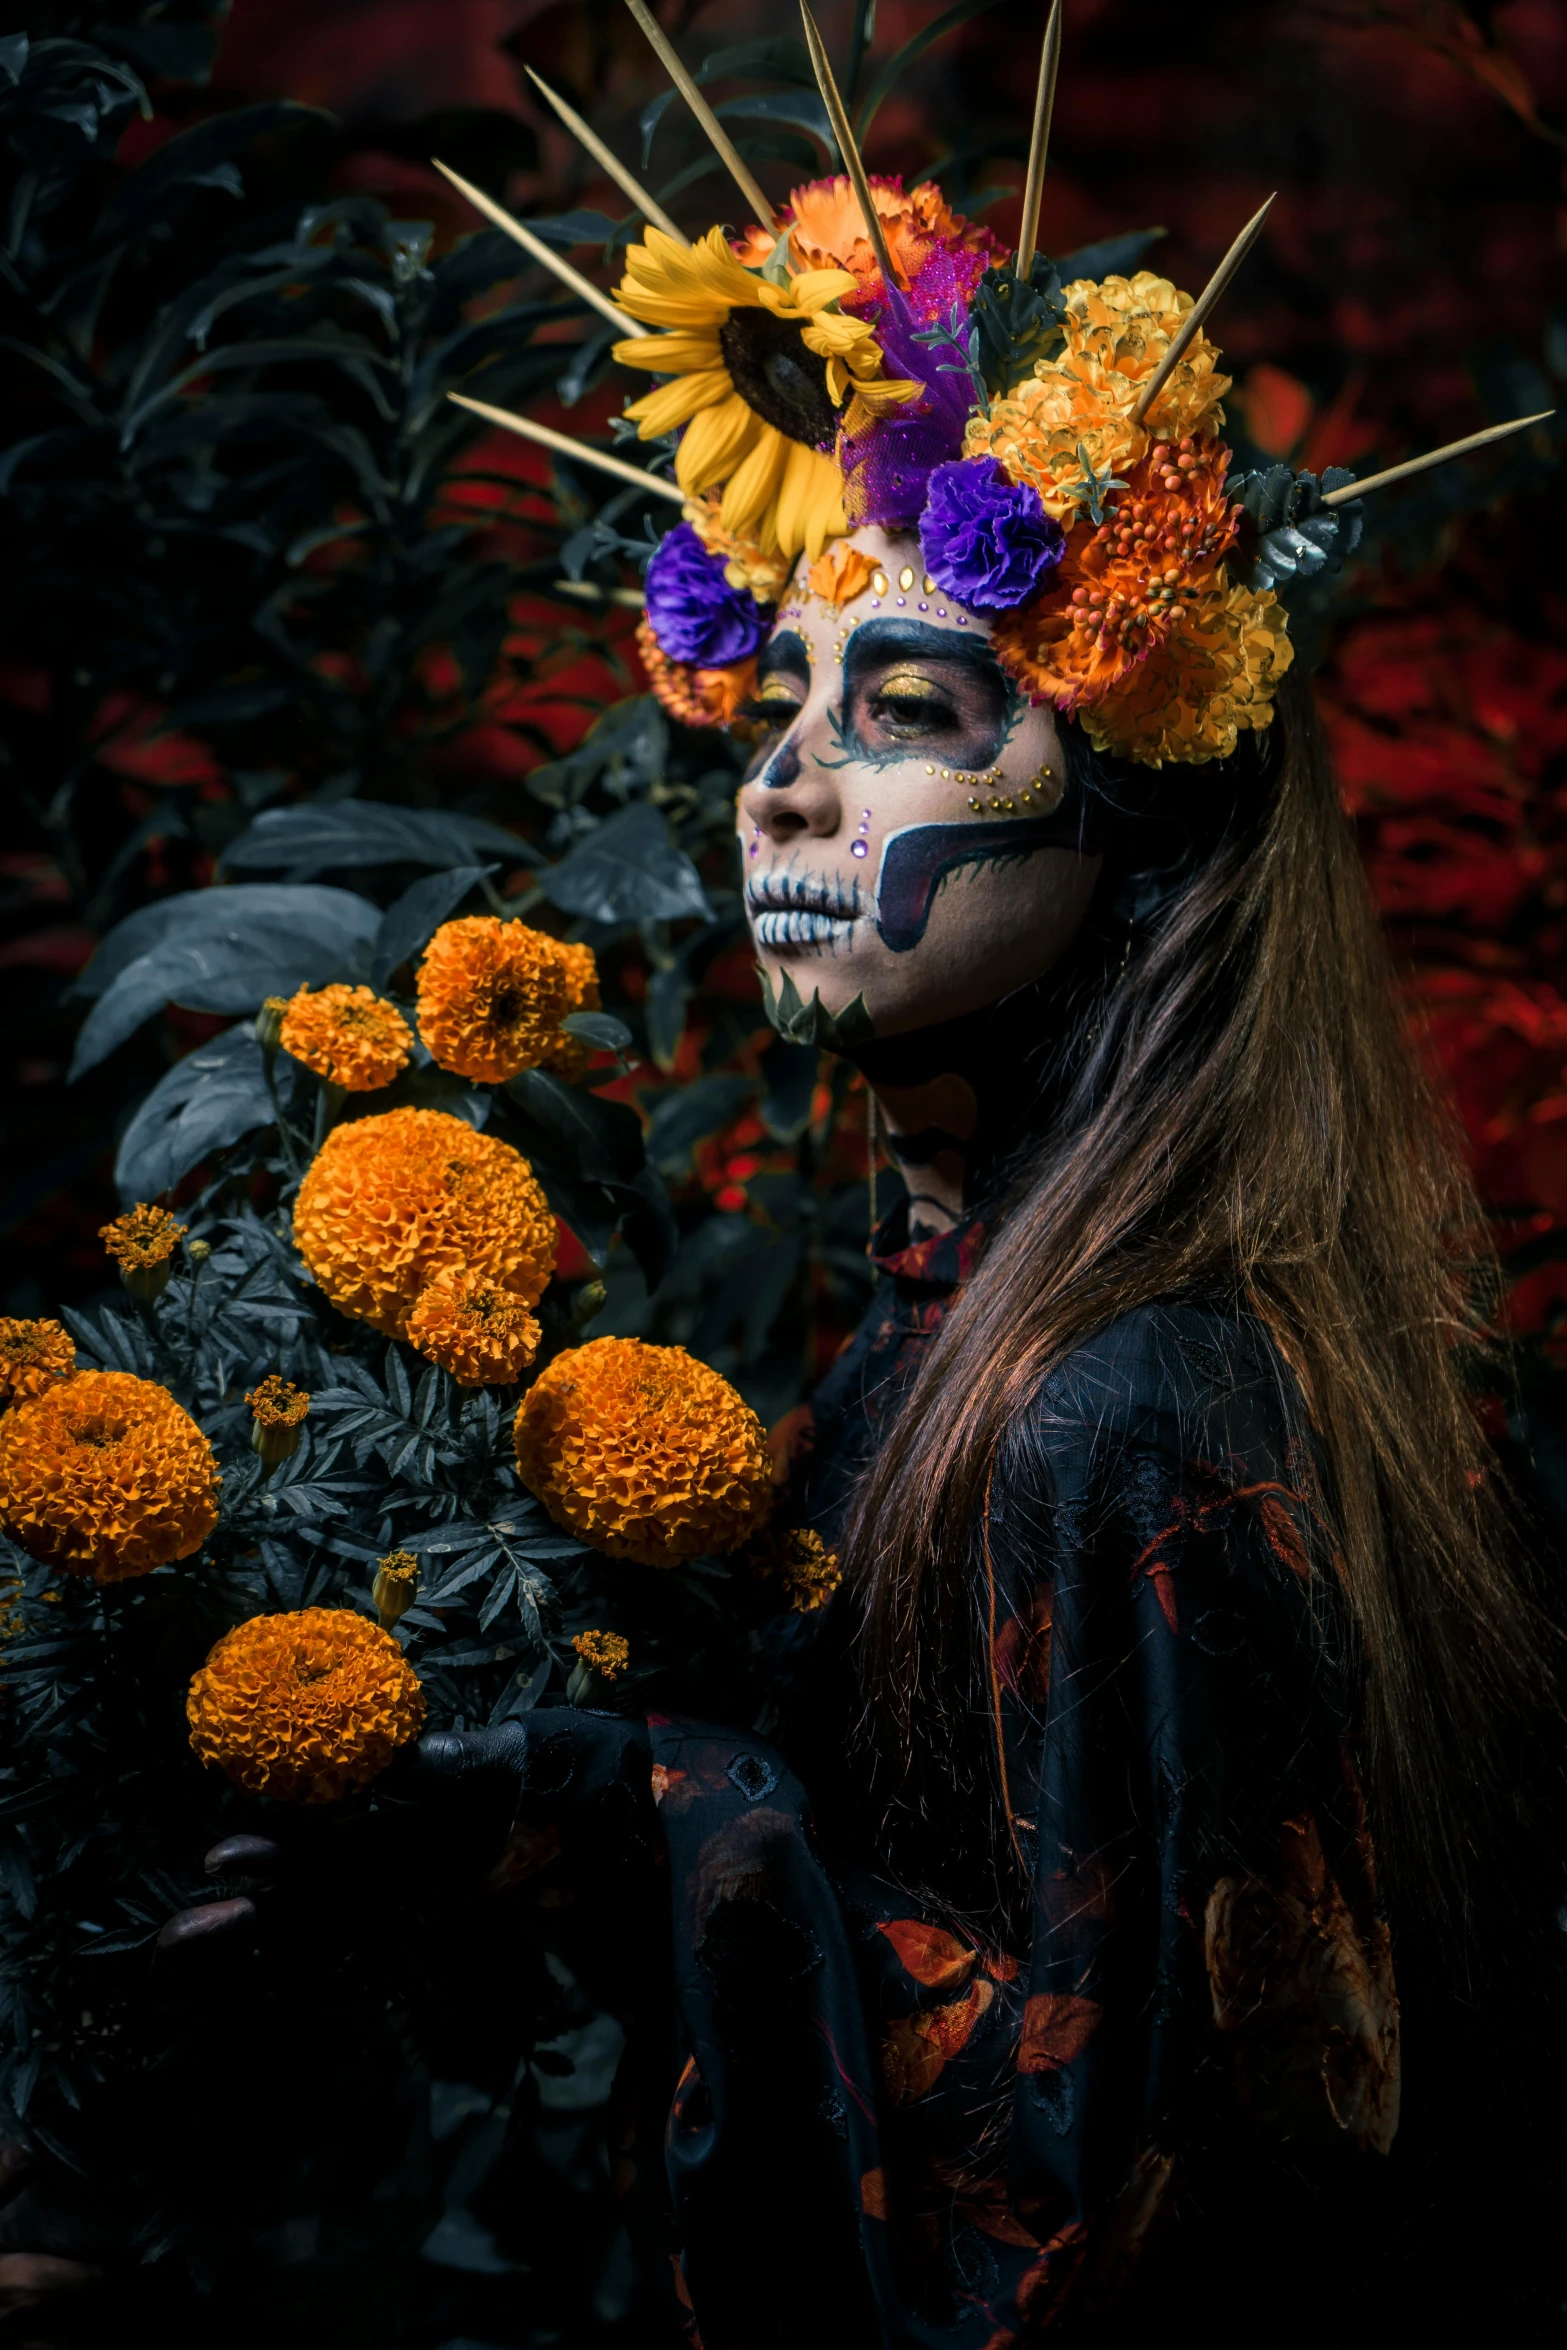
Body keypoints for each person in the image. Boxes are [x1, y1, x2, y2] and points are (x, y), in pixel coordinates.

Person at [159, 133, 1560, 2344]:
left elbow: (1103, 2229)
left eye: (908, 710)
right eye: (782, 704)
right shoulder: (963, 1312)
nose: (782, 784)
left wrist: (639, 1806)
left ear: (1141, 799)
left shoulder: (1116, 1409)